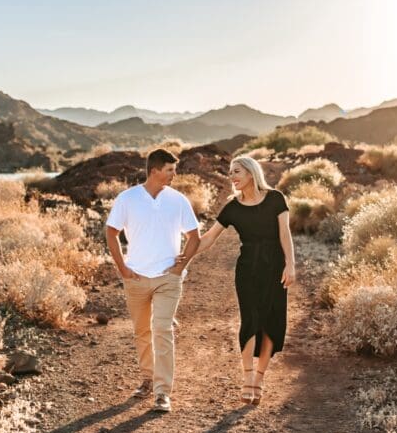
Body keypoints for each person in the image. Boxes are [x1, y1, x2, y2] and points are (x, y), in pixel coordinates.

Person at [186, 156, 295, 405]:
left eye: (236, 172)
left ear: (251, 173)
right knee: (250, 321)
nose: (232, 177)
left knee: (272, 322)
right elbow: (209, 238)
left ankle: (259, 379)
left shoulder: (276, 198)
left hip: (275, 267)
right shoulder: (232, 207)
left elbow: (284, 233)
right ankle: (247, 379)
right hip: (248, 270)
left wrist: (290, 264)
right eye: (230, 172)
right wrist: (185, 255)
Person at [105, 148, 200, 413]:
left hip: (167, 279)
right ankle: (147, 379)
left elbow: (194, 236)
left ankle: (162, 393)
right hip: (135, 277)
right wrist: (122, 268)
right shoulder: (128, 198)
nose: (174, 174)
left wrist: (180, 267)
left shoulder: (178, 200)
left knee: (162, 330)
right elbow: (111, 232)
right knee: (142, 332)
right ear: (155, 170)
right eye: (170, 169)